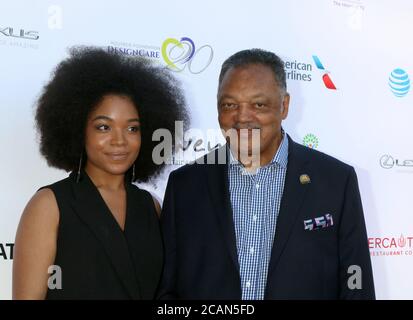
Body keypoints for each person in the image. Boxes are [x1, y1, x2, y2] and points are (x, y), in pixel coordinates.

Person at [158, 48, 375, 300]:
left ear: (284, 106)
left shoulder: (336, 181)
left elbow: (356, 285)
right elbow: (167, 291)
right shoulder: (185, 185)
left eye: (258, 104)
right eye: (229, 105)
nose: (242, 117)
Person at [13, 47, 188, 299]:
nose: (120, 141)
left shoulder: (151, 207)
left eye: (132, 128)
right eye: (104, 127)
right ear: (77, 129)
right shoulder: (49, 206)